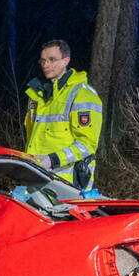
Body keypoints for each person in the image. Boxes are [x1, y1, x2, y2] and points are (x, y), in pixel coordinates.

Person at [24, 39, 102, 190]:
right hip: (35, 175)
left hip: (68, 181)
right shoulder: (37, 95)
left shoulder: (82, 94)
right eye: (43, 60)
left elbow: (87, 145)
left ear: (66, 60)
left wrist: (51, 160)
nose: (46, 65)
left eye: (52, 60)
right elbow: (31, 138)